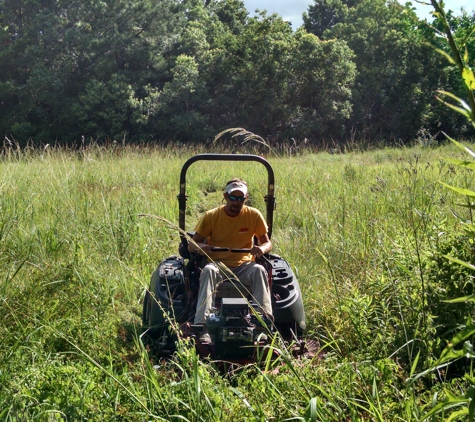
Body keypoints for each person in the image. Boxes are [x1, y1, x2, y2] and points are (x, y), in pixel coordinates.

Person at [188, 178, 273, 343]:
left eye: (240, 198)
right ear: (225, 196)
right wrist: (201, 247)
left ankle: (262, 325)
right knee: (208, 270)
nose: (236, 202)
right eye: (233, 198)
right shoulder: (212, 216)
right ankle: (202, 327)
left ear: (246, 198)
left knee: (259, 270)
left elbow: (267, 242)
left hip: (244, 265)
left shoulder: (253, 215)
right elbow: (192, 245)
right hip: (218, 265)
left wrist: (261, 249)